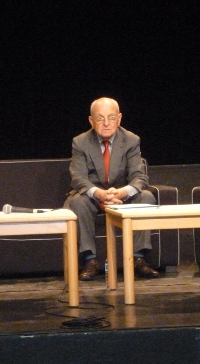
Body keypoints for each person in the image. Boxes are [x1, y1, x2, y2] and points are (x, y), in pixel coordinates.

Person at [64, 97, 160, 281]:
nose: (106, 123)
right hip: (92, 196)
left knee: (146, 197)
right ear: (91, 121)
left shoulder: (131, 140)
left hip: (121, 195)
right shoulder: (80, 142)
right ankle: (90, 260)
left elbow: (139, 177)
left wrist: (122, 192)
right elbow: (78, 178)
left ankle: (138, 259)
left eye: (112, 117)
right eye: (100, 119)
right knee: (77, 201)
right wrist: (99, 194)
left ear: (120, 118)